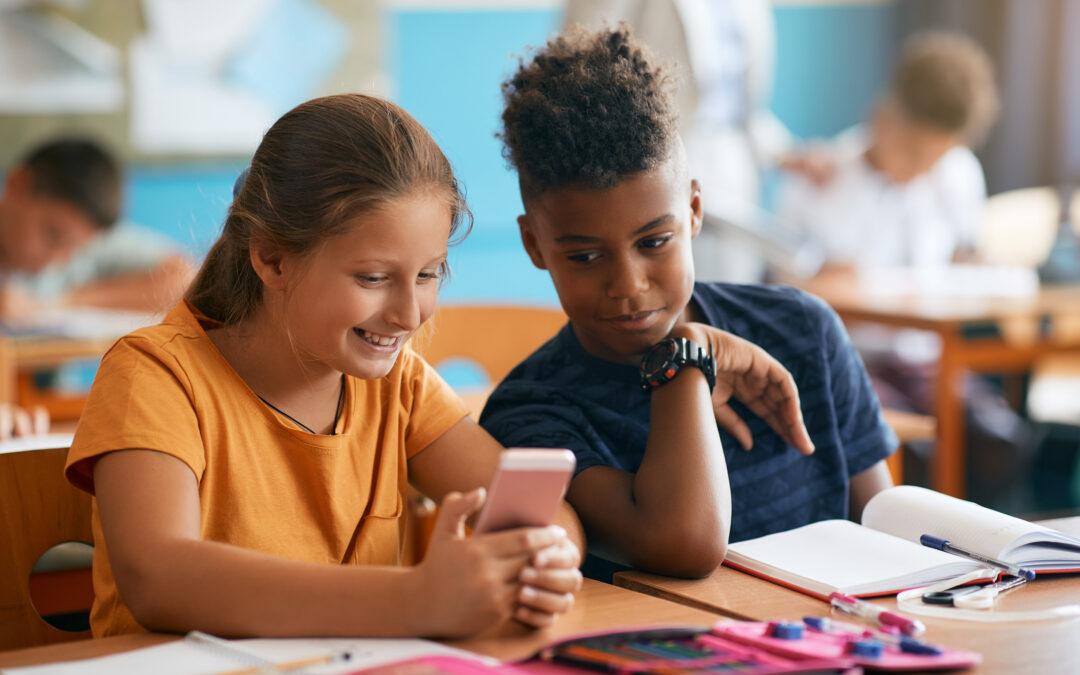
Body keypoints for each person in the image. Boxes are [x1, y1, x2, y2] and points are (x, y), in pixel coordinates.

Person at [64, 94, 583, 638]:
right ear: (272, 258)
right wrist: (413, 599)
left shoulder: (400, 386)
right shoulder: (154, 376)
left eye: (429, 275)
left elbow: (556, 524)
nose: (409, 314)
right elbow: (159, 579)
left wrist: (540, 564)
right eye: (373, 278)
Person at [481, 26, 897, 581]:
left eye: (654, 243)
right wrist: (686, 357)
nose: (628, 285)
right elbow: (684, 543)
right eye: (584, 257)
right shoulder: (530, 414)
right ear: (535, 244)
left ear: (695, 211)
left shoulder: (802, 329)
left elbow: (885, 531)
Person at [563, 0, 797, 283]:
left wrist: (789, 153)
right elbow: (580, 55)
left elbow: (736, 102)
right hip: (651, 157)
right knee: (660, 290)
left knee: (730, 291)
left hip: (733, 165)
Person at [776, 30, 999, 272]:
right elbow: (781, 282)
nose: (923, 171)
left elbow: (963, 252)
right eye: (914, 155)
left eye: (936, 160)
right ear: (880, 120)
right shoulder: (817, 182)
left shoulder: (958, 172)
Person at [0, 137, 193, 320]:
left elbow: (183, 281)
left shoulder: (88, 234)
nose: (57, 258)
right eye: (53, 235)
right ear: (17, 185)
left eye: (75, 247)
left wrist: (64, 303)